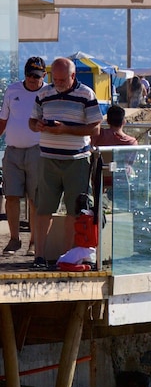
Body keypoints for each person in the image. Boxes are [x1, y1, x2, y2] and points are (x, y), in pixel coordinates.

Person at [29, 57, 102, 270]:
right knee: (43, 209)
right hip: (48, 158)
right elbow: (31, 121)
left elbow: (95, 128)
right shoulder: (44, 93)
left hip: (76, 160)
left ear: (73, 76)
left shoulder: (86, 94)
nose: (58, 83)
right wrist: (38, 125)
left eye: (62, 79)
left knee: (74, 211)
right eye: (55, 78)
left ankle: (66, 256)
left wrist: (65, 129)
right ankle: (39, 256)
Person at [0, 57, 46, 256]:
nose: (32, 79)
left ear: (43, 75)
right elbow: (3, 119)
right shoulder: (12, 90)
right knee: (11, 196)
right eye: (29, 75)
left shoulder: (48, 92)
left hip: (37, 150)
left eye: (36, 76)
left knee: (35, 198)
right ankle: (14, 239)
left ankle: (34, 242)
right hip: (13, 151)